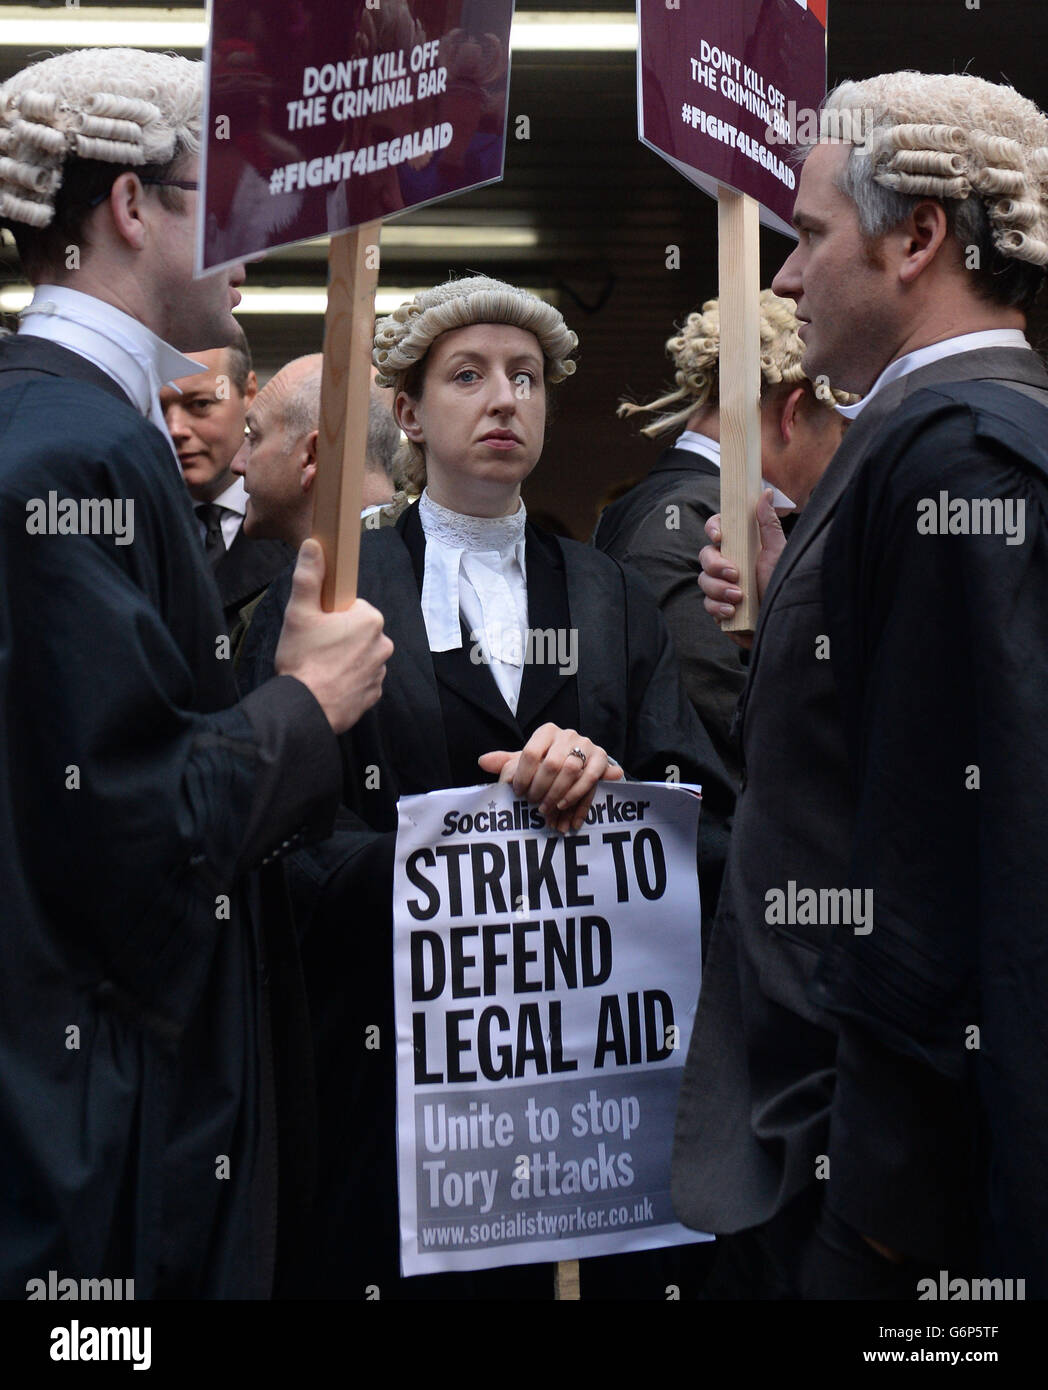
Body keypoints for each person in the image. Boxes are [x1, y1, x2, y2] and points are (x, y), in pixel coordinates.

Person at [239, 274, 734, 1299]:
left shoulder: (611, 594)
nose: (505, 398)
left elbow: (699, 807)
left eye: (526, 377)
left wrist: (612, 794)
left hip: (580, 1093)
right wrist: (444, 855)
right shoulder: (330, 587)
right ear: (410, 414)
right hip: (386, 1076)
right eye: (468, 375)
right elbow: (270, 825)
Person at [0, 47, 392, 1299]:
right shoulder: (69, 453)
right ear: (128, 206)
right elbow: (120, 823)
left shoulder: (66, 427)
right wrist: (302, 709)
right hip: (92, 1130)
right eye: (224, 192)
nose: (259, 229)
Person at [671, 70, 1048, 1298]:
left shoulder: (958, 452)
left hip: (884, 1196)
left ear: (917, 238)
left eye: (809, 234)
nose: (781, 277)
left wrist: (879, 1215)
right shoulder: (936, 438)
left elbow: (968, 846)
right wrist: (793, 621)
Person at [595, 291, 848, 782]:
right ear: (793, 414)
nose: (839, 458)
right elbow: (731, 726)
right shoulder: (697, 517)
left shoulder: (646, 507)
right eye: (838, 431)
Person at [160, 329, 293, 627]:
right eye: (158, 408)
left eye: (200, 404)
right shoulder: (122, 529)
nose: (174, 429)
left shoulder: (301, 529)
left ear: (248, 393)